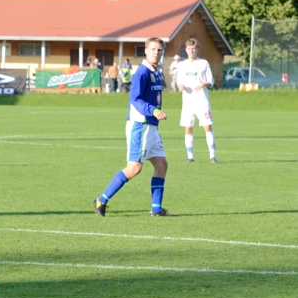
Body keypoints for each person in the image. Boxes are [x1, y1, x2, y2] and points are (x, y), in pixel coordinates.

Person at [93, 37, 174, 218]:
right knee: (134, 168)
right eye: (153, 49)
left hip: (151, 126)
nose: (156, 53)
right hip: (140, 125)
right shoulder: (141, 73)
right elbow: (136, 99)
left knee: (162, 165)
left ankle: (156, 209)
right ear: (145, 50)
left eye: (159, 50)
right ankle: (101, 200)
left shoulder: (157, 71)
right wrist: (153, 110)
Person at [178, 39, 217, 163]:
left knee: (207, 127)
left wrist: (203, 84)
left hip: (201, 100)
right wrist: (181, 87)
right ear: (186, 49)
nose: (191, 51)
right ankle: (190, 156)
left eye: (193, 48)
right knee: (188, 128)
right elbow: (179, 82)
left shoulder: (204, 63)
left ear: (197, 49)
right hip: (188, 101)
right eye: (189, 48)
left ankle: (212, 156)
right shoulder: (182, 65)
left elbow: (211, 80)